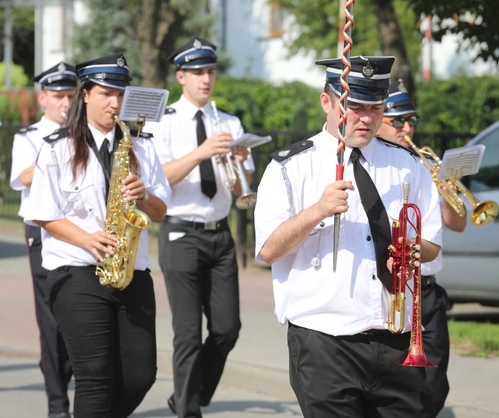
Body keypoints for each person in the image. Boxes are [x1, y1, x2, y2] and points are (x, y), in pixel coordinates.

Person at [254, 55, 443, 417]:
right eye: (354, 106)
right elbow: (267, 250)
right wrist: (317, 211)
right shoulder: (290, 166)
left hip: (395, 339)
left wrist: (410, 249)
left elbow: (432, 242)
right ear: (327, 101)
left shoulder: (406, 164)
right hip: (326, 342)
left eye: (376, 107)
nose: (367, 118)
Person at [24, 53, 170, 417]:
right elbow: (42, 213)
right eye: (106, 93)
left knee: (140, 375)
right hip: (76, 271)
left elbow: (161, 212)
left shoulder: (142, 145)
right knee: (95, 377)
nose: (115, 103)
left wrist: (145, 195)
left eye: (120, 93)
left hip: (131, 270)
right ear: (85, 95)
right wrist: (86, 239)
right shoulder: (57, 147)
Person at [144, 37, 252, 418]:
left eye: (210, 71)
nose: (206, 79)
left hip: (220, 233)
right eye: (197, 73)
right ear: (181, 77)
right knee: (187, 334)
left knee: (227, 329)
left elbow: (241, 189)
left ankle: (191, 393)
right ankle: (188, 410)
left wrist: (239, 162)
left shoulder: (230, 122)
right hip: (180, 232)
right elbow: (158, 180)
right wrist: (201, 152)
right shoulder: (164, 122)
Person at [376, 80, 466, 415]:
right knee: (398, 387)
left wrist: (444, 188)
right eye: (397, 120)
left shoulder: (428, 164)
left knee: (435, 382)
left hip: (427, 291)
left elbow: (459, 224)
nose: (407, 127)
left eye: (411, 119)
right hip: (394, 289)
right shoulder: (376, 168)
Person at [10, 61, 77, 418]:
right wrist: (54, 152)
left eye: (70, 95)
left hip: (78, 228)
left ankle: (61, 373)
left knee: (77, 317)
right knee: (51, 319)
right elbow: (21, 177)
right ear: (43, 98)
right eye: (58, 96)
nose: (65, 102)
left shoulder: (83, 132)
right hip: (41, 229)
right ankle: (57, 405)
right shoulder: (29, 136)